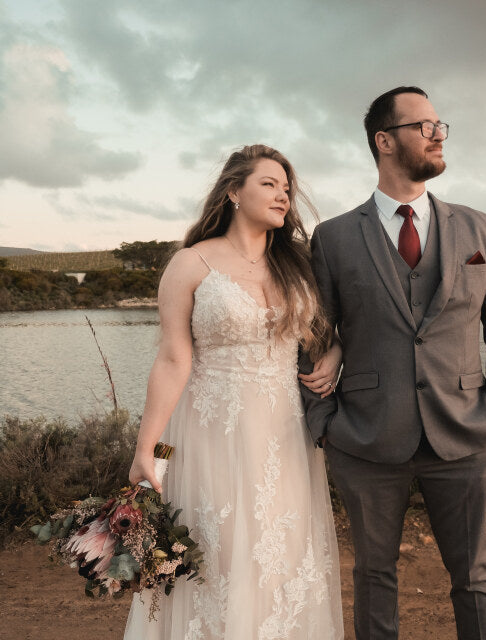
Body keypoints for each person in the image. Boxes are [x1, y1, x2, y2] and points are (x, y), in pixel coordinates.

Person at [299, 87, 486, 639]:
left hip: (468, 434)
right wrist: (323, 423)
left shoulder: (480, 229)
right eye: (424, 126)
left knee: (473, 576)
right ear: (384, 141)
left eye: (440, 124)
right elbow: (312, 335)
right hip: (365, 438)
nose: (438, 134)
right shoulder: (333, 238)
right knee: (373, 575)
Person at [125, 144, 344, 639]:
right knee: (218, 556)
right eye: (269, 184)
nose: (283, 195)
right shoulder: (191, 263)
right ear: (233, 192)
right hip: (209, 438)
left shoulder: (297, 264)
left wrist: (335, 352)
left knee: (283, 554)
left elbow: (327, 331)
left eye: (286, 187)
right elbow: (173, 360)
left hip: (285, 437)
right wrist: (148, 449)